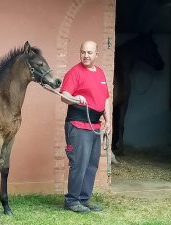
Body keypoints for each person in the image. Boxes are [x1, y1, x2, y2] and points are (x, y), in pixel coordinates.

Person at [60, 40, 111, 213]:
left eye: (90, 53)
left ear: (96, 54)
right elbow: (64, 96)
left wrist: (108, 121)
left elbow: (105, 99)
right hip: (78, 125)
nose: (86, 56)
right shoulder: (74, 72)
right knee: (79, 164)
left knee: (91, 165)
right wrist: (76, 98)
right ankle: (72, 200)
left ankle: (84, 199)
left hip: (95, 126)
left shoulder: (101, 74)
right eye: (83, 52)